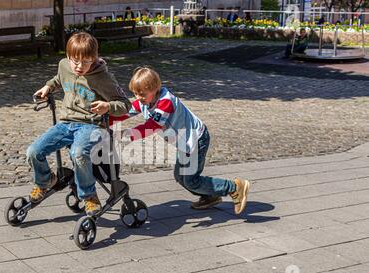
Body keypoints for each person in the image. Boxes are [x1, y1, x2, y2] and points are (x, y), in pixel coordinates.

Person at [114, 67, 250, 214]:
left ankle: (234, 187)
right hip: (184, 143)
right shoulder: (145, 100)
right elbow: (126, 112)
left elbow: (152, 126)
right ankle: (210, 196)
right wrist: (105, 120)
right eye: (135, 93)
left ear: (154, 89)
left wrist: (125, 134)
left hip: (196, 139)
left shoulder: (165, 102)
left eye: (141, 94)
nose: (138, 97)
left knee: (191, 180)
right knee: (180, 177)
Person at [28, 32, 131, 215]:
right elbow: (59, 79)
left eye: (86, 62)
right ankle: (45, 181)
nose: (79, 66)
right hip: (66, 123)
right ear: (68, 56)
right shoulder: (64, 66)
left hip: (92, 126)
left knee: (78, 152)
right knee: (34, 151)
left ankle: (89, 196)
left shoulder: (103, 78)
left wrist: (107, 106)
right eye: (75, 61)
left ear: (95, 58)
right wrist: (48, 87)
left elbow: (125, 105)